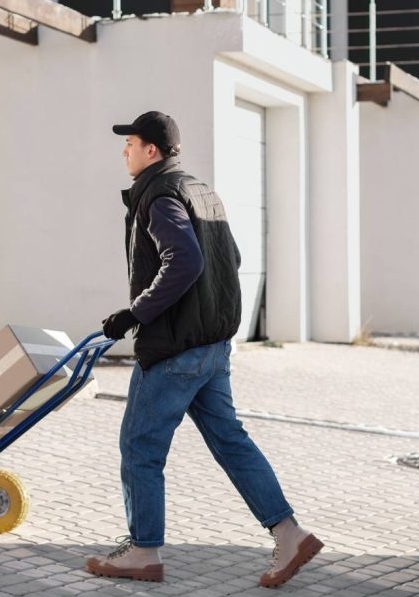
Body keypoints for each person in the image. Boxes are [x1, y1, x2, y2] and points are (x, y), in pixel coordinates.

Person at [85, 110, 323, 587]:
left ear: (151, 150)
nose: (124, 150)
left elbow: (186, 260)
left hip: (175, 350)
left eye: (130, 143)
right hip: (211, 347)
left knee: (139, 447)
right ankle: (290, 534)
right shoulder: (200, 191)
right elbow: (229, 257)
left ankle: (143, 551)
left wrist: (137, 313)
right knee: (231, 442)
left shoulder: (159, 196)